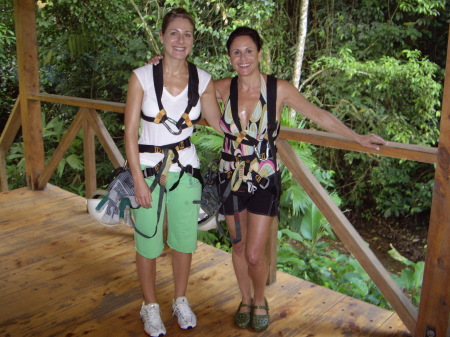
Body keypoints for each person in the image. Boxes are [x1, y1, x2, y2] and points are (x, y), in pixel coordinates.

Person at [214, 26, 387, 332]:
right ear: (229, 56)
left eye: (248, 51)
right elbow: (186, 88)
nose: (243, 58)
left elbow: (318, 114)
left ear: (260, 53)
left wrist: (357, 137)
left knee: (255, 252)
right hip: (230, 175)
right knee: (238, 247)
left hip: (265, 178)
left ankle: (259, 298)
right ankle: (244, 300)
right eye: (236, 52)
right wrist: (159, 65)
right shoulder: (224, 88)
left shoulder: (277, 89)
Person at [124, 8, 222, 337]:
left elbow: (219, 123)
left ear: (194, 40)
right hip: (148, 169)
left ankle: (180, 299)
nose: (180, 40)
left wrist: (253, 125)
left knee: (183, 240)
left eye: (187, 34)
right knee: (147, 240)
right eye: (174, 33)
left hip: (186, 169)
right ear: (163, 36)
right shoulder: (140, 77)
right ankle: (149, 305)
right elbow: (129, 132)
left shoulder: (203, 80)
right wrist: (137, 179)